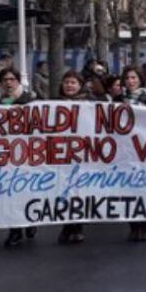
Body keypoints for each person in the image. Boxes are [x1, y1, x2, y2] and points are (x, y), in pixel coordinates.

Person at [0, 67, 38, 248]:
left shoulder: (30, 100)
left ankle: (29, 221)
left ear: (18, 81)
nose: (8, 83)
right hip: (4, 156)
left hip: (27, 155)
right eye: (5, 80)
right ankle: (15, 230)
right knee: (10, 194)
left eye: (11, 79)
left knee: (25, 191)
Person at [54, 70, 89, 244]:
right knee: (63, 191)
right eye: (66, 82)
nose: (69, 85)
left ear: (80, 85)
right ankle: (66, 225)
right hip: (61, 154)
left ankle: (77, 227)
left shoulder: (90, 105)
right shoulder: (53, 104)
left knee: (79, 191)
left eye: (73, 82)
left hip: (82, 154)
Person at [121, 66, 146, 242]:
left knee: (142, 188)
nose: (130, 81)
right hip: (124, 150)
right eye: (127, 78)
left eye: (134, 78)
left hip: (144, 148)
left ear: (140, 80)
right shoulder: (118, 99)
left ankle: (144, 225)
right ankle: (133, 225)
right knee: (127, 188)